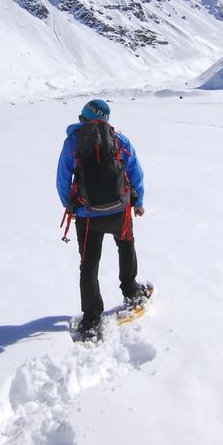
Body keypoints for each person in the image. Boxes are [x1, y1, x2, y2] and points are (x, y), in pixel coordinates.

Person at [56, 98, 147, 340]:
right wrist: (138, 201)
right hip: (119, 211)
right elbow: (135, 171)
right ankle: (131, 291)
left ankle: (91, 320)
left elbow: (63, 177)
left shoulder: (72, 142)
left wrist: (70, 206)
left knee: (89, 265)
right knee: (125, 245)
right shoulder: (119, 140)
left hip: (87, 215)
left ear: (84, 117)